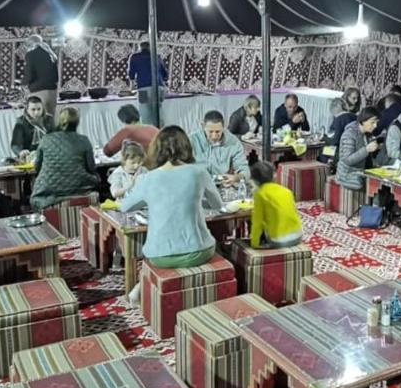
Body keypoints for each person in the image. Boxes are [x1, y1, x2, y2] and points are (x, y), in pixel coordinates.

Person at [122, 125, 223, 272]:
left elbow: (126, 207)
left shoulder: (148, 178)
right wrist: (193, 201)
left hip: (159, 255)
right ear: (187, 147)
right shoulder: (199, 172)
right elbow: (217, 205)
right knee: (220, 245)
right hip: (198, 251)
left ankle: (142, 285)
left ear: (156, 149)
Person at [30, 107, 99, 211]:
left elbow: (37, 167)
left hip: (47, 191)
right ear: (77, 122)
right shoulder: (84, 140)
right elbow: (91, 168)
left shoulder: (46, 139)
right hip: (80, 188)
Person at [248, 160, 303, 248]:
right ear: (274, 175)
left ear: (255, 180)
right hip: (298, 236)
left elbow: (257, 222)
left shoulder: (260, 194)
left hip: (279, 240)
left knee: (263, 223)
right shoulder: (286, 190)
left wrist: (254, 243)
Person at [189, 110, 247, 185]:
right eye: (210, 132)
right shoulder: (192, 140)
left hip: (221, 185)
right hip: (196, 184)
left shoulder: (233, 142)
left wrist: (236, 177)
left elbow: (244, 169)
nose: (214, 136)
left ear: (223, 127)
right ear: (203, 126)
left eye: (218, 132)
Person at [336, 106, 381, 190]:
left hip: (359, 171)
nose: (375, 125)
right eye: (372, 122)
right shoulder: (349, 134)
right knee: (376, 186)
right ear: (363, 121)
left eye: (377, 122)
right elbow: (347, 160)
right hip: (347, 175)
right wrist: (367, 149)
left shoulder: (366, 134)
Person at [128, 41, 168, 125]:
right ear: (150, 47)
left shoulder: (135, 57)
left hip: (143, 88)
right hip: (159, 87)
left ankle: (147, 133)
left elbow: (131, 75)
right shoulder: (157, 57)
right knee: (158, 111)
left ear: (140, 48)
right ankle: (161, 132)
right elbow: (165, 74)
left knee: (144, 111)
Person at [23, 33, 59, 116]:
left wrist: (23, 83)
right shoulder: (51, 54)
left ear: (30, 44)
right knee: (50, 119)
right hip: (52, 91)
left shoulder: (31, 55)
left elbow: (29, 75)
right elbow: (56, 76)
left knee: (38, 119)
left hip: (39, 91)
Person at [10, 95, 54, 161]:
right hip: (29, 156)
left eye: (39, 109)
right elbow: (15, 144)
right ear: (27, 110)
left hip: (48, 154)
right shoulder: (21, 122)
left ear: (43, 108)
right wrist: (20, 152)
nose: (36, 113)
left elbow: (56, 138)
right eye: (33, 110)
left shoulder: (49, 119)